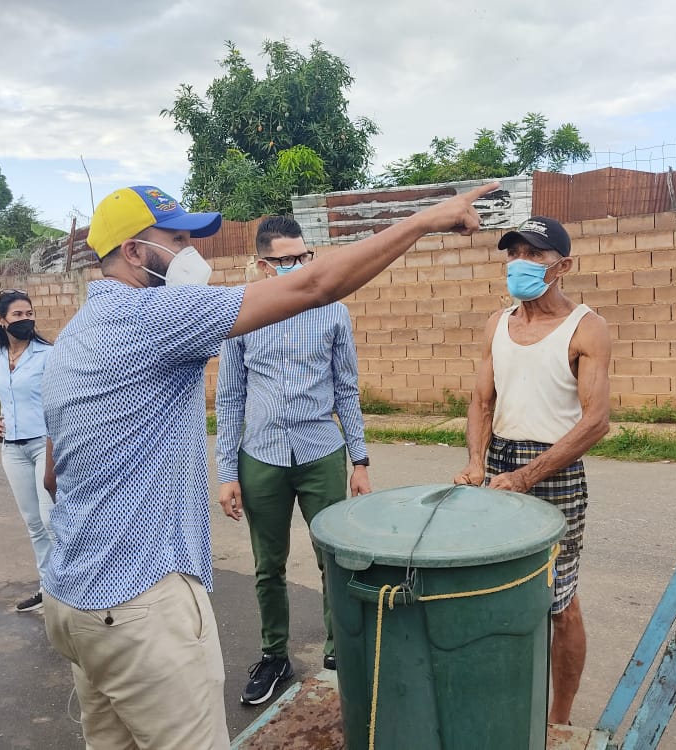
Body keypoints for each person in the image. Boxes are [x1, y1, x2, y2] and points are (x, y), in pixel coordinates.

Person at [41, 181, 498, 750]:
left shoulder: (71, 338)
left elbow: (53, 477)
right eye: (177, 239)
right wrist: (425, 219)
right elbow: (319, 283)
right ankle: (273, 655)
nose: (192, 254)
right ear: (133, 252)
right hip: (141, 607)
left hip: (73, 601)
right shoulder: (149, 314)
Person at [453, 216, 611, 726]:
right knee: (491, 588)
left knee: (558, 599)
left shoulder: (585, 326)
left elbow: (596, 422)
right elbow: (481, 400)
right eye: (513, 252)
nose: (519, 263)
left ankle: (557, 721)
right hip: (497, 462)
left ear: (562, 266)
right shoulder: (497, 324)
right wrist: (476, 462)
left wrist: (527, 477)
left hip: (555, 472)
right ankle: (498, 699)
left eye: (534, 254)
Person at [215, 216, 371, 707]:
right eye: (285, 260)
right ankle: (274, 655)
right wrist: (225, 473)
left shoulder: (332, 312)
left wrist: (360, 461)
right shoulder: (240, 314)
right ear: (264, 265)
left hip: (320, 451)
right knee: (268, 565)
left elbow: (346, 388)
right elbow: (230, 399)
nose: (298, 266)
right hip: (261, 455)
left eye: (303, 257)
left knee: (334, 558)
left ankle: (338, 650)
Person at [0, 289, 55, 613]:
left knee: (51, 520)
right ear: (0, 320)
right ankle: (48, 588)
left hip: (43, 445)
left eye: (29, 314)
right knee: (33, 522)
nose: (26, 320)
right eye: (18, 315)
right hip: (12, 450)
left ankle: (69, 587)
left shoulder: (48, 354)